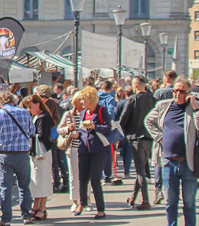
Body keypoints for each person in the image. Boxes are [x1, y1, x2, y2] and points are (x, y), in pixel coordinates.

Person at [146, 76, 199, 226]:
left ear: (189, 93)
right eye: (175, 90)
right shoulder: (163, 106)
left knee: (189, 201)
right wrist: (159, 137)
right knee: (170, 202)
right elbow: (149, 121)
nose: (177, 94)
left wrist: (195, 107)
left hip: (188, 162)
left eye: (181, 91)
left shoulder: (196, 107)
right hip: (168, 162)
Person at [0, 88, 35, 226]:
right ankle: (26, 215)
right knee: (24, 186)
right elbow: (31, 132)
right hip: (22, 154)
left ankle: (6, 218)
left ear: (0, 103)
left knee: (5, 188)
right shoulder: (25, 113)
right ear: (13, 100)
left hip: (4, 154)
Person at [72, 86, 113, 217]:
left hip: (99, 149)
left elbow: (108, 127)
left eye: (83, 99)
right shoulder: (84, 112)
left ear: (90, 99)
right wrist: (77, 133)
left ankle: (100, 209)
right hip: (84, 148)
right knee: (82, 178)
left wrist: (95, 126)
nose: (82, 102)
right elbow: (82, 129)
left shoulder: (101, 110)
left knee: (95, 179)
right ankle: (82, 203)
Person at [119, 77, 157, 210]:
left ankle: (145, 200)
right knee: (141, 168)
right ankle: (134, 197)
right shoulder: (152, 99)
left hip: (135, 138)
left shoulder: (132, 99)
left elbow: (123, 119)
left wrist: (118, 134)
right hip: (149, 137)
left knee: (140, 171)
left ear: (135, 85)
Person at [27, 94, 58, 221]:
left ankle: (42, 207)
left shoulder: (43, 117)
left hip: (42, 152)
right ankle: (37, 205)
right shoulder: (39, 116)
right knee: (37, 179)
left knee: (41, 179)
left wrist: (29, 135)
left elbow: (42, 136)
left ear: (38, 104)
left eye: (31, 106)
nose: (29, 109)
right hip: (38, 152)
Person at [57, 102, 83, 212]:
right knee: (73, 176)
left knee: (85, 176)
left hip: (86, 148)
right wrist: (68, 128)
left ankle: (86, 199)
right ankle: (74, 201)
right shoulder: (69, 114)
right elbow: (59, 129)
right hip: (72, 148)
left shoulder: (87, 113)